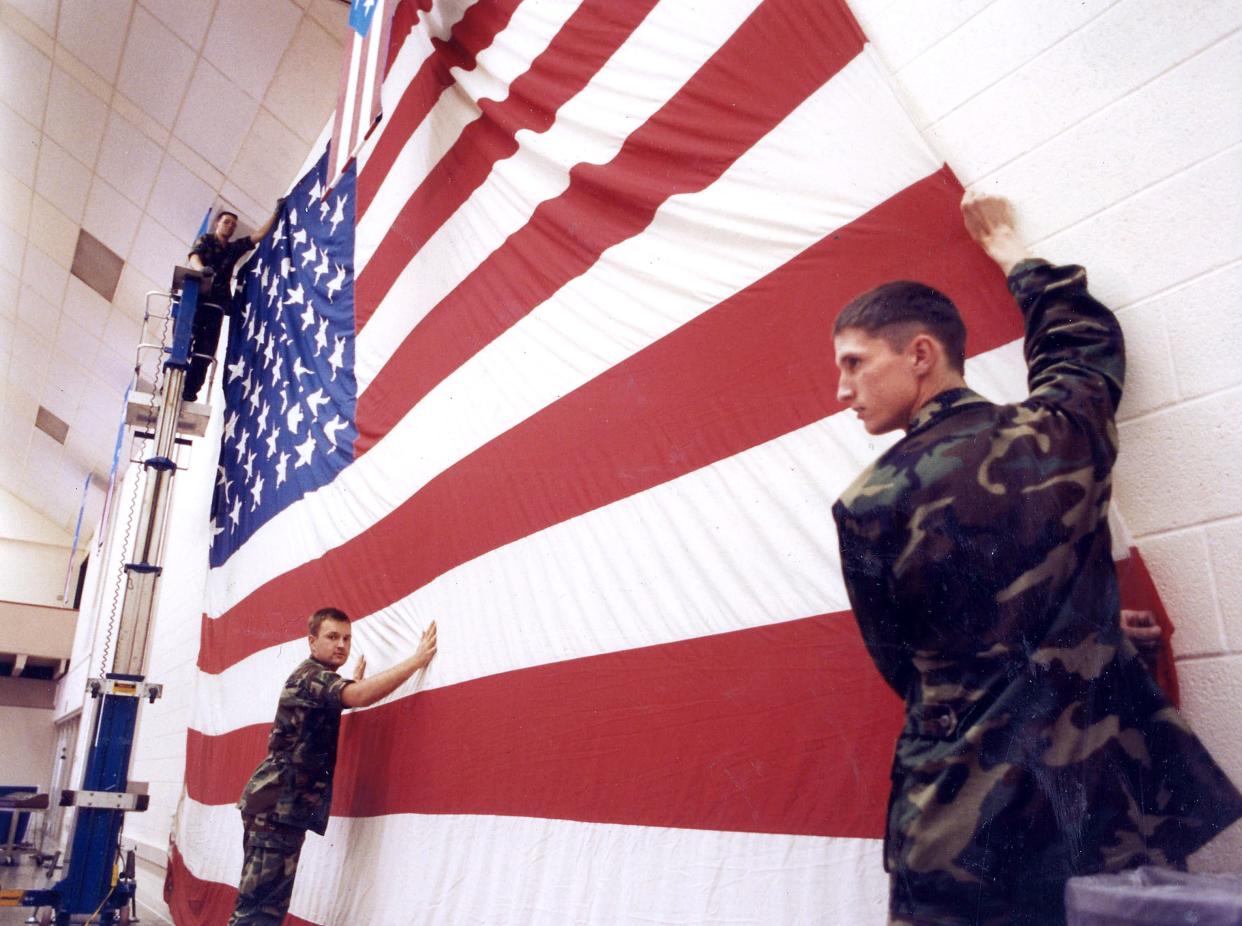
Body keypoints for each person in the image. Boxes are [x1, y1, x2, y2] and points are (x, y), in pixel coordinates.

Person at [829, 191, 1242, 924]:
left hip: (959, 828)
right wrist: (1014, 252)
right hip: (1096, 813)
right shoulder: (1058, 433)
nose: (843, 390)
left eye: (856, 363)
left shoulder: (868, 504)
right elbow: (1082, 344)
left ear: (920, 355)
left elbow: (903, 666)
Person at [228, 608, 437, 925]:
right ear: (312, 641)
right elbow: (358, 696)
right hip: (276, 811)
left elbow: (341, 696)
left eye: (347, 638)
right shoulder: (313, 677)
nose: (341, 644)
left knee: (263, 909)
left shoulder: (317, 679)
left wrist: (351, 684)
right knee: (258, 913)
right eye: (332, 636)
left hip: (278, 809)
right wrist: (416, 660)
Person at [182, 204, 281, 401]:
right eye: (226, 222)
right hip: (198, 302)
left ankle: (190, 390)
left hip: (216, 305)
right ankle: (177, 379)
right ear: (217, 223)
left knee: (206, 349)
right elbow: (194, 257)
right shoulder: (207, 241)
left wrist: (276, 213)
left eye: (233, 225)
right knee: (185, 342)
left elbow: (259, 235)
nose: (229, 226)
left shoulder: (233, 249)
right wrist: (202, 270)